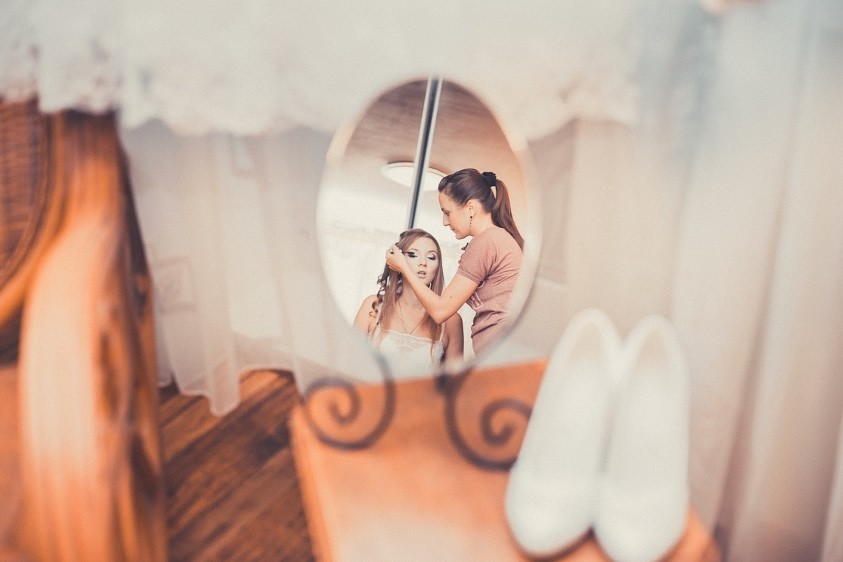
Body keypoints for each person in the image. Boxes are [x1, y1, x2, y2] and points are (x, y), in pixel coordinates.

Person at [386, 168, 523, 354]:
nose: (444, 221)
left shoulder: (487, 241)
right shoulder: (496, 238)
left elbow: (440, 311)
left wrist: (404, 267)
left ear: (471, 208)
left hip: (503, 351)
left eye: (447, 212)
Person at [354, 228, 463, 374]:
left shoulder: (451, 321)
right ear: (397, 262)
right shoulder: (373, 306)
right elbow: (349, 363)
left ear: (438, 267)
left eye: (431, 257)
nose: (423, 262)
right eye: (413, 255)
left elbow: (456, 382)